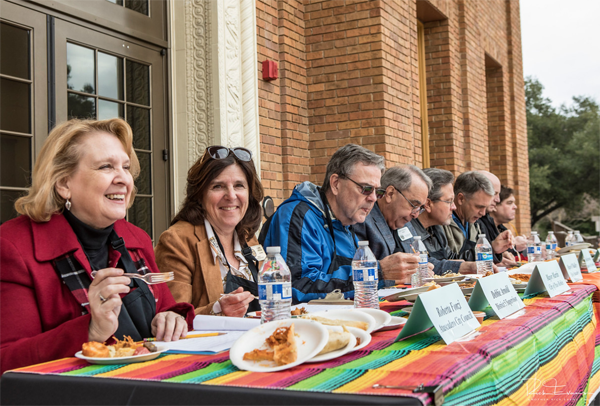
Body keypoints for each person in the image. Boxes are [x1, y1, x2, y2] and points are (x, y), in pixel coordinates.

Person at [0, 119, 193, 375]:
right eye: (106, 167)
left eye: (125, 167)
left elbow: (165, 309)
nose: (124, 179)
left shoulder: (136, 239)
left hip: (151, 382)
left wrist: (171, 319)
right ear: (64, 184)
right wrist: (91, 330)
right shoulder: (14, 245)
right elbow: (7, 361)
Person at [263, 144, 385, 303]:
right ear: (336, 184)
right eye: (366, 189)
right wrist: (378, 273)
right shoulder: (298, 215)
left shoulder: (346, 224)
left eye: (378, 192)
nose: (373, 198)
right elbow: (297, 286)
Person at [155, 146, 264, 316]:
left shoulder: (249, 238)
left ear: (249, 194)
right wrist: (217, 310)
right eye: (218, 186)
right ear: (200, 194)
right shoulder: (177, 241)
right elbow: (172, 317)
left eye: (239, 185)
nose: (231, 195)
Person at [354, 165, 438, 279]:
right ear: (390, 194)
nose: (416, 214)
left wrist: (461, 266)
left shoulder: (402, 219)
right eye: (414, 205)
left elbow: (419, 260)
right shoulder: (362, 219)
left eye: (420, 208)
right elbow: (355, 273)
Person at [412, 168, 478, 274]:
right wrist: (462, 266)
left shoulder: (436, 227)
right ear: (428, 204)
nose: (454, 207)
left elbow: (450, 258)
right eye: (449, 201)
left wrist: (493, 250)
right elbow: (420, 265)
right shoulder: (408, 232)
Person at [442, 171, 513, 261]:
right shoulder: (442, 222)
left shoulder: (475, 223)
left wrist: (499, 253)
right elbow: (449, 262)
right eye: (479, 206)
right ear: (461, 199)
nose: (483, 213)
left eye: (485, 207)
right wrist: (491, 248)